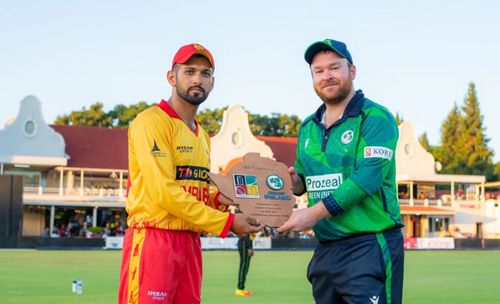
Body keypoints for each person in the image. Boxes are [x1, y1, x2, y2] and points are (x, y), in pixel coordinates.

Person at [118, 43, 261, 304]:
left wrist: (228, 199)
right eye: (190, 71)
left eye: (205, 74)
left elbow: (198, 190)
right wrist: (227, 223)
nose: (198, 79)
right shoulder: (150, 122)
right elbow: (164, 192)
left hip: (191, 245)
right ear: (171, 77)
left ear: (213, 83)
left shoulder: (202, 135)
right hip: (154, 239)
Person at [278, 38, 404, 304]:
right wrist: (292, 181)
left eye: (335, 68)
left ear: (352, 71)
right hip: (326, 250)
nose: (327, 76)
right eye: (319, 71)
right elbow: (303, 180)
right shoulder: (308, 127)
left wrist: (311, 214)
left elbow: (366, 179)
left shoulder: (376, 117)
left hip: (370, 245)